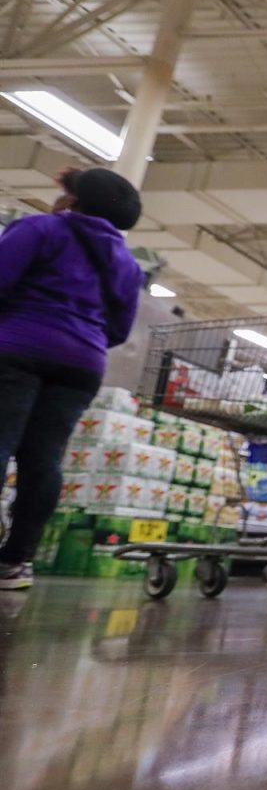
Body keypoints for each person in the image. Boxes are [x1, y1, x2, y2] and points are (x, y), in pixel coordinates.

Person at [0, 168, 143, 590]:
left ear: (73, 201)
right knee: (43, 460)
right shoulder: (127, 264)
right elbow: (118, 329)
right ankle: (15, 563)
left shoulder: (40, 228)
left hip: (18, 348)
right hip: (82, 365)